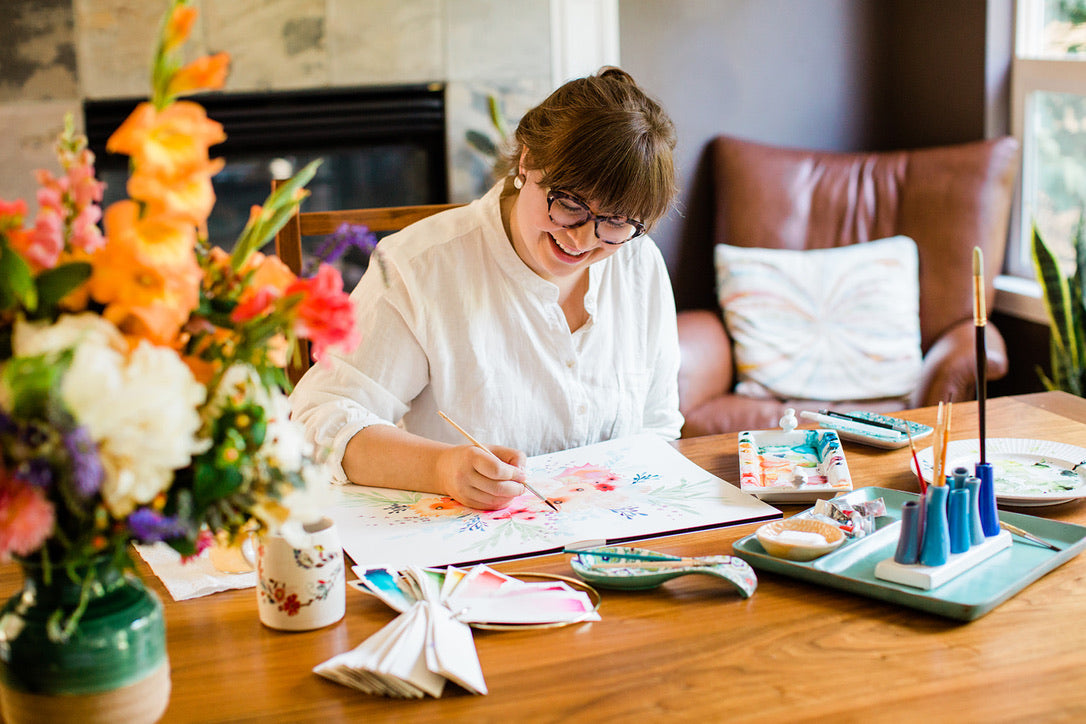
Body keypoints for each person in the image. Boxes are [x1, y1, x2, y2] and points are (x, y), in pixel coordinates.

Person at [290, 67, 682, 510]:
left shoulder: (637, 260)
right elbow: (317, 422)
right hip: (469, 552)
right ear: (526, 161)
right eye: (569, 205)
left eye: (613, 221)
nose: (582, 239)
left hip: (616, 541)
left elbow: (659, 426)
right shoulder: (418, 267)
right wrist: (440, 468)